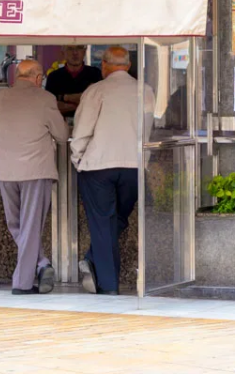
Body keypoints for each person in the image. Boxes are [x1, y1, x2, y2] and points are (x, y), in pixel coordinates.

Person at [71, 46, 153, 295]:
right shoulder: (145, 91)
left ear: (104, 66)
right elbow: (148, 129)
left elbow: (82, 129)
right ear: (128, 66)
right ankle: (93, 259)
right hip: (134, 166)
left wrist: (78, 159)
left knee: (103, 223)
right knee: (118, 218)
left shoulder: (96, 90)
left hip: (99, 166)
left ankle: (108, 286)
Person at [0, 59, 68, 295]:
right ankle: (23, 282)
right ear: (38, 79)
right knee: (30, 226)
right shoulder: (45, 98)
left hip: (6, 170)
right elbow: (62, 135)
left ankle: (41, 264)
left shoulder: (1, 97)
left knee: (16, 224)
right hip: (35, 170)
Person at [46, 44, 103, 116]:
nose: (75, 52)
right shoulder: (54, 77)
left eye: (79, 48)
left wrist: (64, 98)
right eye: (70, 48)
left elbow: (99, 103)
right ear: (63, 53)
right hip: (61, 124)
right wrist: (84, 102)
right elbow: (51, 107)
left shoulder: (95, 74)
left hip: (89, 124)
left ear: (84, 52)